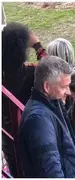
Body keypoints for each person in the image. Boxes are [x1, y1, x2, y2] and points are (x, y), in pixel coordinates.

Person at [18, 56, 75, 177]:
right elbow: (51, 172)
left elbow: (65, 146)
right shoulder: (39, 120)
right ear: (47, 87)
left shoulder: (54, 104)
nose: (68, 92)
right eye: (63, 87)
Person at [2, 22, 47, 177]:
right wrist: (38, 45)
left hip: (8, 137)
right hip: (32, 131)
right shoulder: (31, 72)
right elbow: (51, 68)